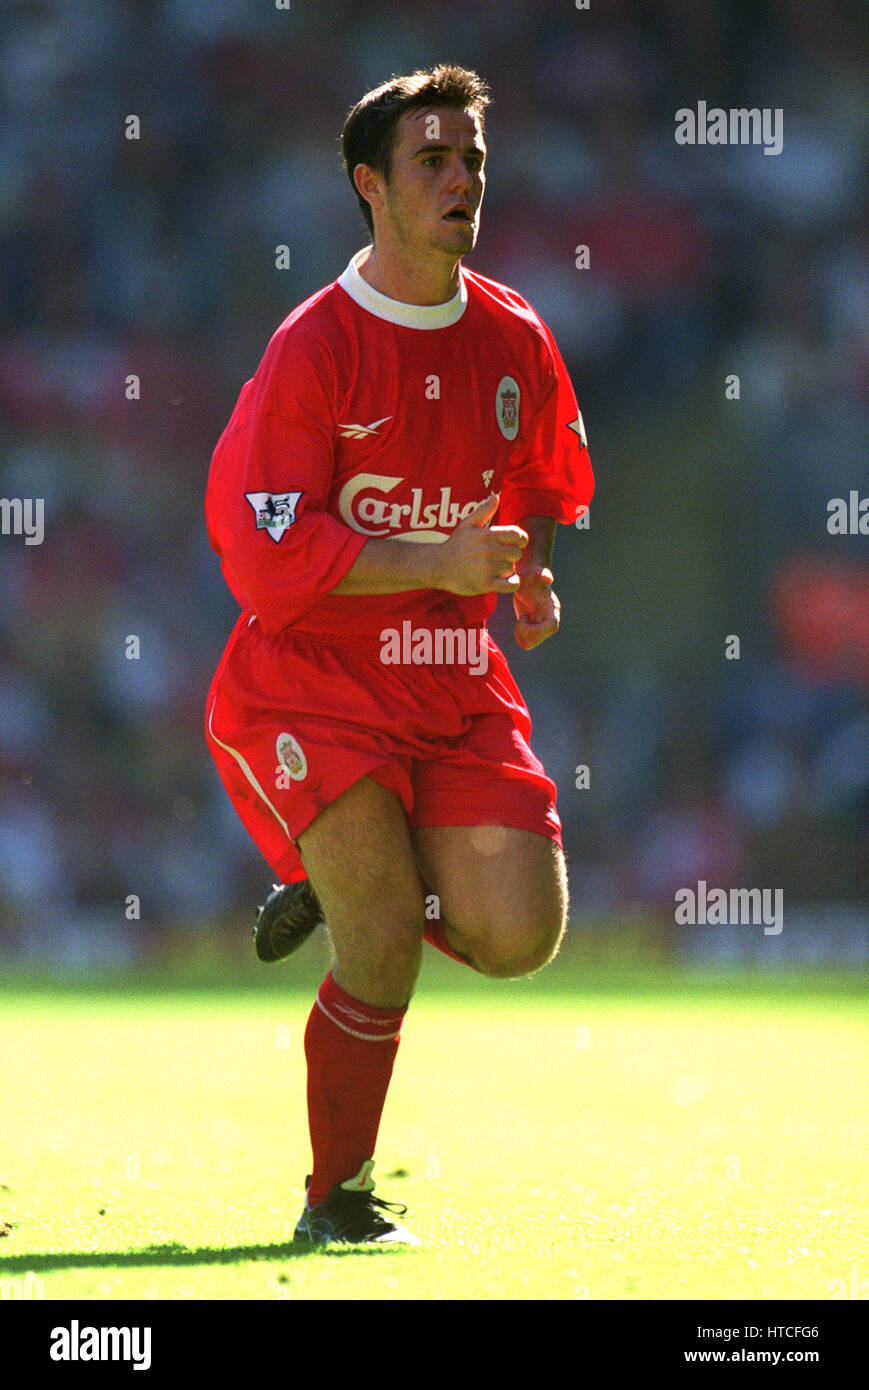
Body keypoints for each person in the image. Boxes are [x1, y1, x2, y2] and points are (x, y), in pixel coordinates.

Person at [205, 64, 593, 1245]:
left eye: (472, 160)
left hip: (452, 682)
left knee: (519, 935)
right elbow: (269, 555)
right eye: (432, 161)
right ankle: (338, 1198)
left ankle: (342, 877)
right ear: (369, 186)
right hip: (310, 684)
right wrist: (441, 553)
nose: (461, 180)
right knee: (381, 942)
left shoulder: (514, 333)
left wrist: (520, 576)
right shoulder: (314, 345)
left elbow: (529, 492)